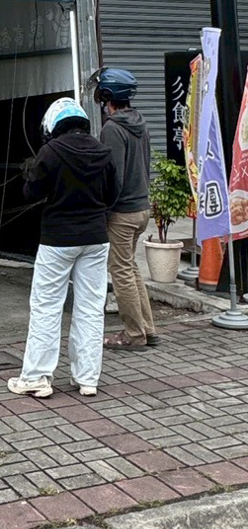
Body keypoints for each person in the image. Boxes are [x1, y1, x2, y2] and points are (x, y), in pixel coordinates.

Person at [7, 98, 117, 399]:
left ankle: (37, 377)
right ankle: (87, 378)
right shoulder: (103, 152)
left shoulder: (51, 151)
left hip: (57, 241)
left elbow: (32, 192)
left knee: (47, 307)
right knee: (91, 309)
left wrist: (30, 172)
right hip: (95, 239)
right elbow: (113, 195)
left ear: (53, 125)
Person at [94, 68, 158, 350]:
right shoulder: (139, 123)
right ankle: (147, 328)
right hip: (141, 207)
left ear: (107, 95)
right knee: (130, 268)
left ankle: (133, 334)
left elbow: (112, 176)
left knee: (120, 271)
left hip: (122, 212)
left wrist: (104, 210)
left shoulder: (112, 128)